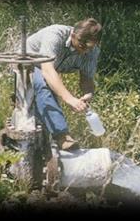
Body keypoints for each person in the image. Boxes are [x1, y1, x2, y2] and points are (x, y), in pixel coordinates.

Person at [27, 18, 102, 150]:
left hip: (49, 68)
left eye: (90, 46)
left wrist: (88, 93)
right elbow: (48, 71)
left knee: (47, 93)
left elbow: (87, 78)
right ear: (73, 35)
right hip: (26, 62)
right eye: (82, 44)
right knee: (43, 85)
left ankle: (43, 142)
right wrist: (69, 99)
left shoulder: (92, 51)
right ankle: (61, 135)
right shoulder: (55, 35)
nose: (85, 50)